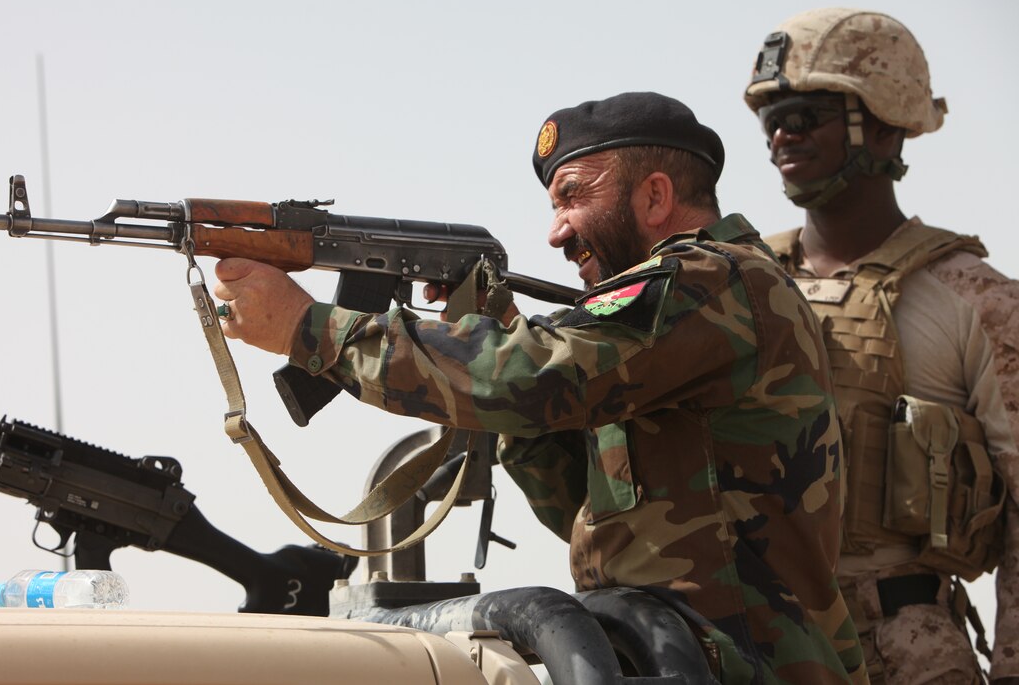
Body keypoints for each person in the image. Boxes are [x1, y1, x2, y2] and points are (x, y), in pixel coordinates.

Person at [214, 91, 867, 683]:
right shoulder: (668, 326)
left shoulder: (709, 282)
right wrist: (497, 339)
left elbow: (534, 376)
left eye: (573, 196)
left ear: (654, 196)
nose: (555, 232)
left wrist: (311, 329)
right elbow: (578, 512)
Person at [743, 7, 1019, 685]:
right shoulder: (736, 284)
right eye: (771, 115)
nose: (783, 131)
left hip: (899, 653)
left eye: (808, 112)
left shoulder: (975, 300)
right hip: (743, 643)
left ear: (887, 119)